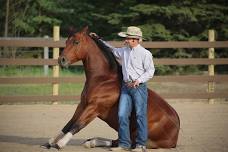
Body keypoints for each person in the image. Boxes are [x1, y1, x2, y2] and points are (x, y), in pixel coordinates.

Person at [90, 26, 155, 152]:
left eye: (128, 38)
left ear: (135, 39)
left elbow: (150, 71)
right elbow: (111, 49)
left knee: (140, 115)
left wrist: (138, 81)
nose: (125, 39)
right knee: (121, 115)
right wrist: (98, 39)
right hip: (125, 87)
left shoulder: (145, 54)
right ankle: (124, 144)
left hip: (139, 88)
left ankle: (141, 145)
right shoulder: (123, 51)